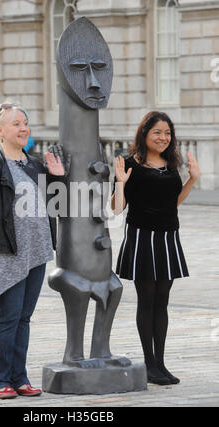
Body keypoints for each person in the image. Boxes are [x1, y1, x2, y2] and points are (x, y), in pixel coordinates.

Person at [0, 102, 66, 399]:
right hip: (7, 253)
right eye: (16, 123)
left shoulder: (35, 163)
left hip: (36, 252)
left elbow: (59, 206)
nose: (23, 127)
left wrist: (58, 179)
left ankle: (19, 377)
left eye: (25, 122)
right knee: (8, 317)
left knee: (24, 318)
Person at [111, 111, 200, 386]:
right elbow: (116, 209)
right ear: (145, 134)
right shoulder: (130, 164)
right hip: (141, 238)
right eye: (157, 133)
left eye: (167, 133)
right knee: (147, 301)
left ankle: (160, 364)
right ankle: (150, 365)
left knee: (163, 302)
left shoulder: (170, 164)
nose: (163, 138)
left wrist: (192, 180)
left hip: (168, 238)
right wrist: (120, 184)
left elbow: (172, 203)